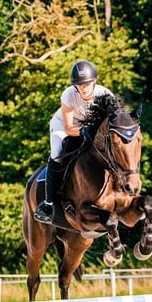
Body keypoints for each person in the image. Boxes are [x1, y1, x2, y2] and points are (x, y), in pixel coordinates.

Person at [33, 59, 114, 223]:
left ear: (94, 81)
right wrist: (86, 131)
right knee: (57, 154)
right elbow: (69, 128)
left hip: (91, 131)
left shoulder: (105, 95)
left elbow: (113, 123)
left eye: (87, 84)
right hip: (64, 127)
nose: (83, 88)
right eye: (79, 84)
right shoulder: (68, 95)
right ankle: (48, 203)